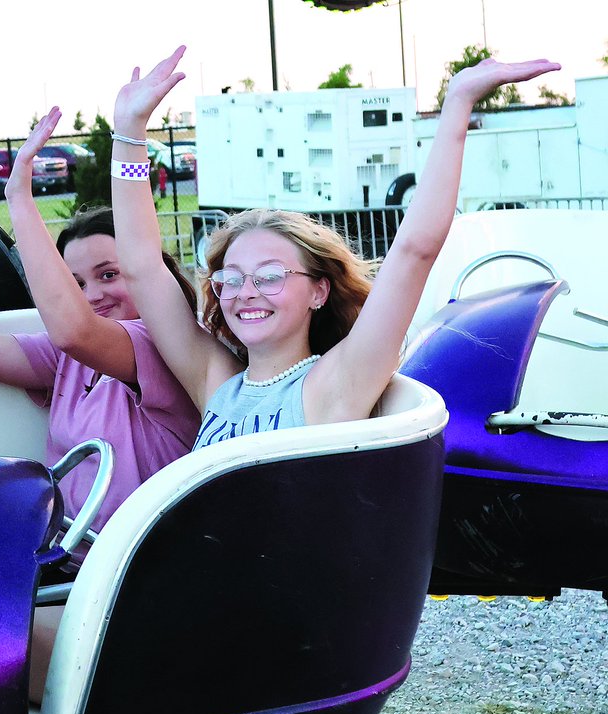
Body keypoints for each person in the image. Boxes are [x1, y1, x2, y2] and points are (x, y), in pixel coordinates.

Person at [109, 48, 560, 444]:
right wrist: (129, 131)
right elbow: (143, 267)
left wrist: (457, 103)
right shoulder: (214, 381)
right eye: (231, 278)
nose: (246, 292)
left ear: (319, 291)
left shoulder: (335, 385)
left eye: (269, 276)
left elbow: (414, 251)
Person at [0, 109, 202, 702]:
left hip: (135, 577)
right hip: (68, 562)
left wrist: (20, 199)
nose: (94, 295)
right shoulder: (72, 360)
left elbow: (75, 328)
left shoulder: (167, 345)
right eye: (76, 283)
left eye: (109, 274)